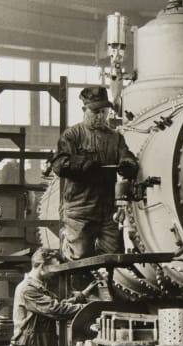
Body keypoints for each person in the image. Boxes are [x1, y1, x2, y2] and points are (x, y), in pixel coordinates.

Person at [49, 86, 138, 260]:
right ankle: (66, 245)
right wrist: (82, 164)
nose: (100, 117)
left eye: (104, 112)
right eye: (95, 112)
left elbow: (126, 156)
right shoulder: (72, 135)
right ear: (84, 110)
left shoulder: (115, 138)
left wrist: (128, 164)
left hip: (108, 209)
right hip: (79, 209)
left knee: (113, 256)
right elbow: (58, 164)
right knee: (80, 257)